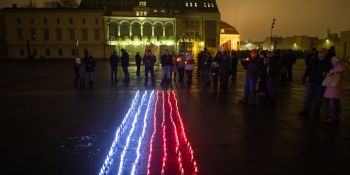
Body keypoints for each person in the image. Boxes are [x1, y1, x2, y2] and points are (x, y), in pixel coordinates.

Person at [300, 48, 332, 117]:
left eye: (323, 52)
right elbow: (308, 69)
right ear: (318, 53)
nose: (322, 54)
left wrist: (327, 73)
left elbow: (330, 71)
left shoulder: (328, 62)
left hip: (321, 82)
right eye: (320, 52)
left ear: (326, 54)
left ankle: (317, 110)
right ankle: (306, 110)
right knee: (308, 96)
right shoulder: (313, 60)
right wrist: (304, 77)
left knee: (319, 97)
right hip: (312, 81)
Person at [322, 56, 344, 124]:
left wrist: (331, 72)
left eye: (333, 62)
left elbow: (340, 69)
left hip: (333, 88)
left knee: (332, 103)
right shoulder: (336, 68)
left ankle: (332, 117)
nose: (332, 63)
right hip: (331, 88)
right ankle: (334, 116)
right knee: (334, 103)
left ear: (336, 61)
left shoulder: (339, 68)